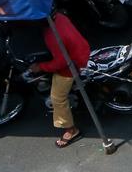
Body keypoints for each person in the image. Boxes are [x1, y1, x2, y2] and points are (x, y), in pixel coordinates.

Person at [27, 11, 91, 148]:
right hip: (82, 49)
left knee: (57, 98)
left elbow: (60, 63)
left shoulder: (53, 37)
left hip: (72, 67)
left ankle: (71, 130)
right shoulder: (60, 17)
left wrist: (40, 67)